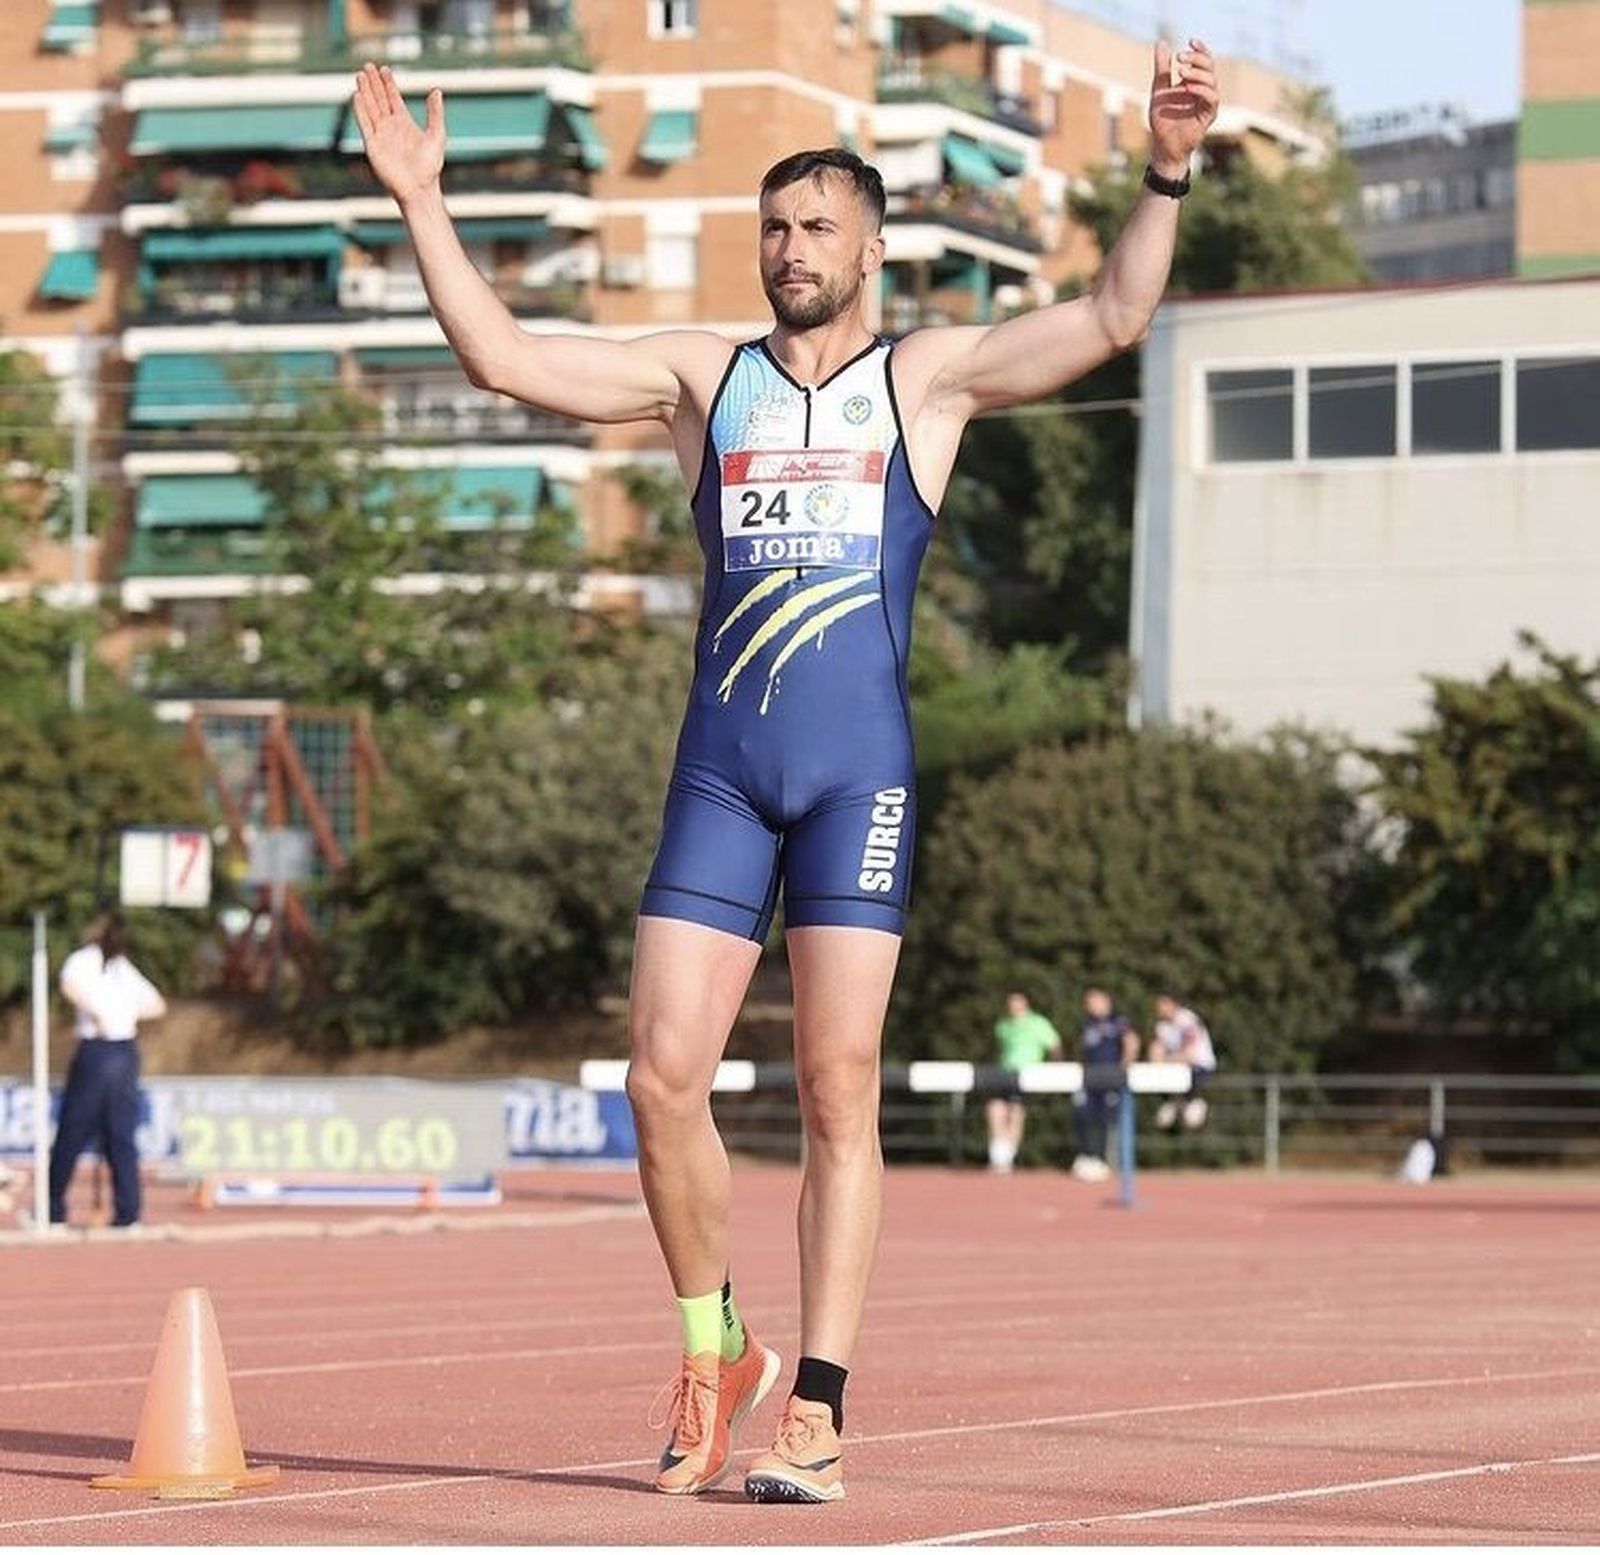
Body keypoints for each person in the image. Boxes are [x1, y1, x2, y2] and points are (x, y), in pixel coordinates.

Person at [351, 38, 1218, 1503]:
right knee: (659, 1075)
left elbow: (1117, 312)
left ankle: (816, 1398)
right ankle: (715, 1344)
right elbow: (506, 359)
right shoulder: (707, 380)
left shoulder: (925, 383)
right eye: (775, 227)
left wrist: (1167, 165)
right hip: (721, 772)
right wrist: (422, 203)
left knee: (834, 1088)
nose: (791, 249)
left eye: (818, 227)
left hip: (854, 779)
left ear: (873, 248)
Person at [48, 911, 167, 1228]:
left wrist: (100, 1012)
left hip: (100, 1048)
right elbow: (156, 1004)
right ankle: (128, 1214)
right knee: (120, 1135)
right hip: (124, 1050)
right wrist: (124, 1013)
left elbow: (68, 985)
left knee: (75, 1131)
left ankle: (53, 1210)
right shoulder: (122, 968)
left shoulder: (91, 961)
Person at [986, 991, 1063, 1171]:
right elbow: (1003, 1050)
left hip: (1028, 1076)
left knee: (1015, 1112)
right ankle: (998, 1154)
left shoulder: (1038, 1023)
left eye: (1017, 1002)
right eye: (1011, 1003)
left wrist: (1055, 1070)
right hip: (1006, 1074)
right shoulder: (1003, 1026)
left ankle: (1006, 1157)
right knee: (994, 1109)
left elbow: (1055, 1046)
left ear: (1026, 1004)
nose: (1014, 1006)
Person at [1071, 987, 1140, 1182]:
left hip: (1110, 1076)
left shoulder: (1118, 1021)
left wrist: (1125, 1065)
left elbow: (1131, 1041)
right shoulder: (1086, 1024)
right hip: (1088, 1077)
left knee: (1104, 1117)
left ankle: (1101, 1159)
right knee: (1083, 1114)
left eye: (1095, 1001)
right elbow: (1081, 1048)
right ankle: (1086, 1156)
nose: (1091, 1005)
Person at [1147, 992, 1218, 1130]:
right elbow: (1156, 1050)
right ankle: (1171, 1102)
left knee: (1191, 1118)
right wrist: (1156, 1062)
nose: (1160, 1009)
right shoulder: (1161, 1026)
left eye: (1163, 1004)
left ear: (1174, 1004)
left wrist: (1165, 1060)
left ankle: (1192, 1101)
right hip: (1176, 1067)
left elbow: (1189, 1054)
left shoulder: (1187, 1020)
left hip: (1199, 1067)